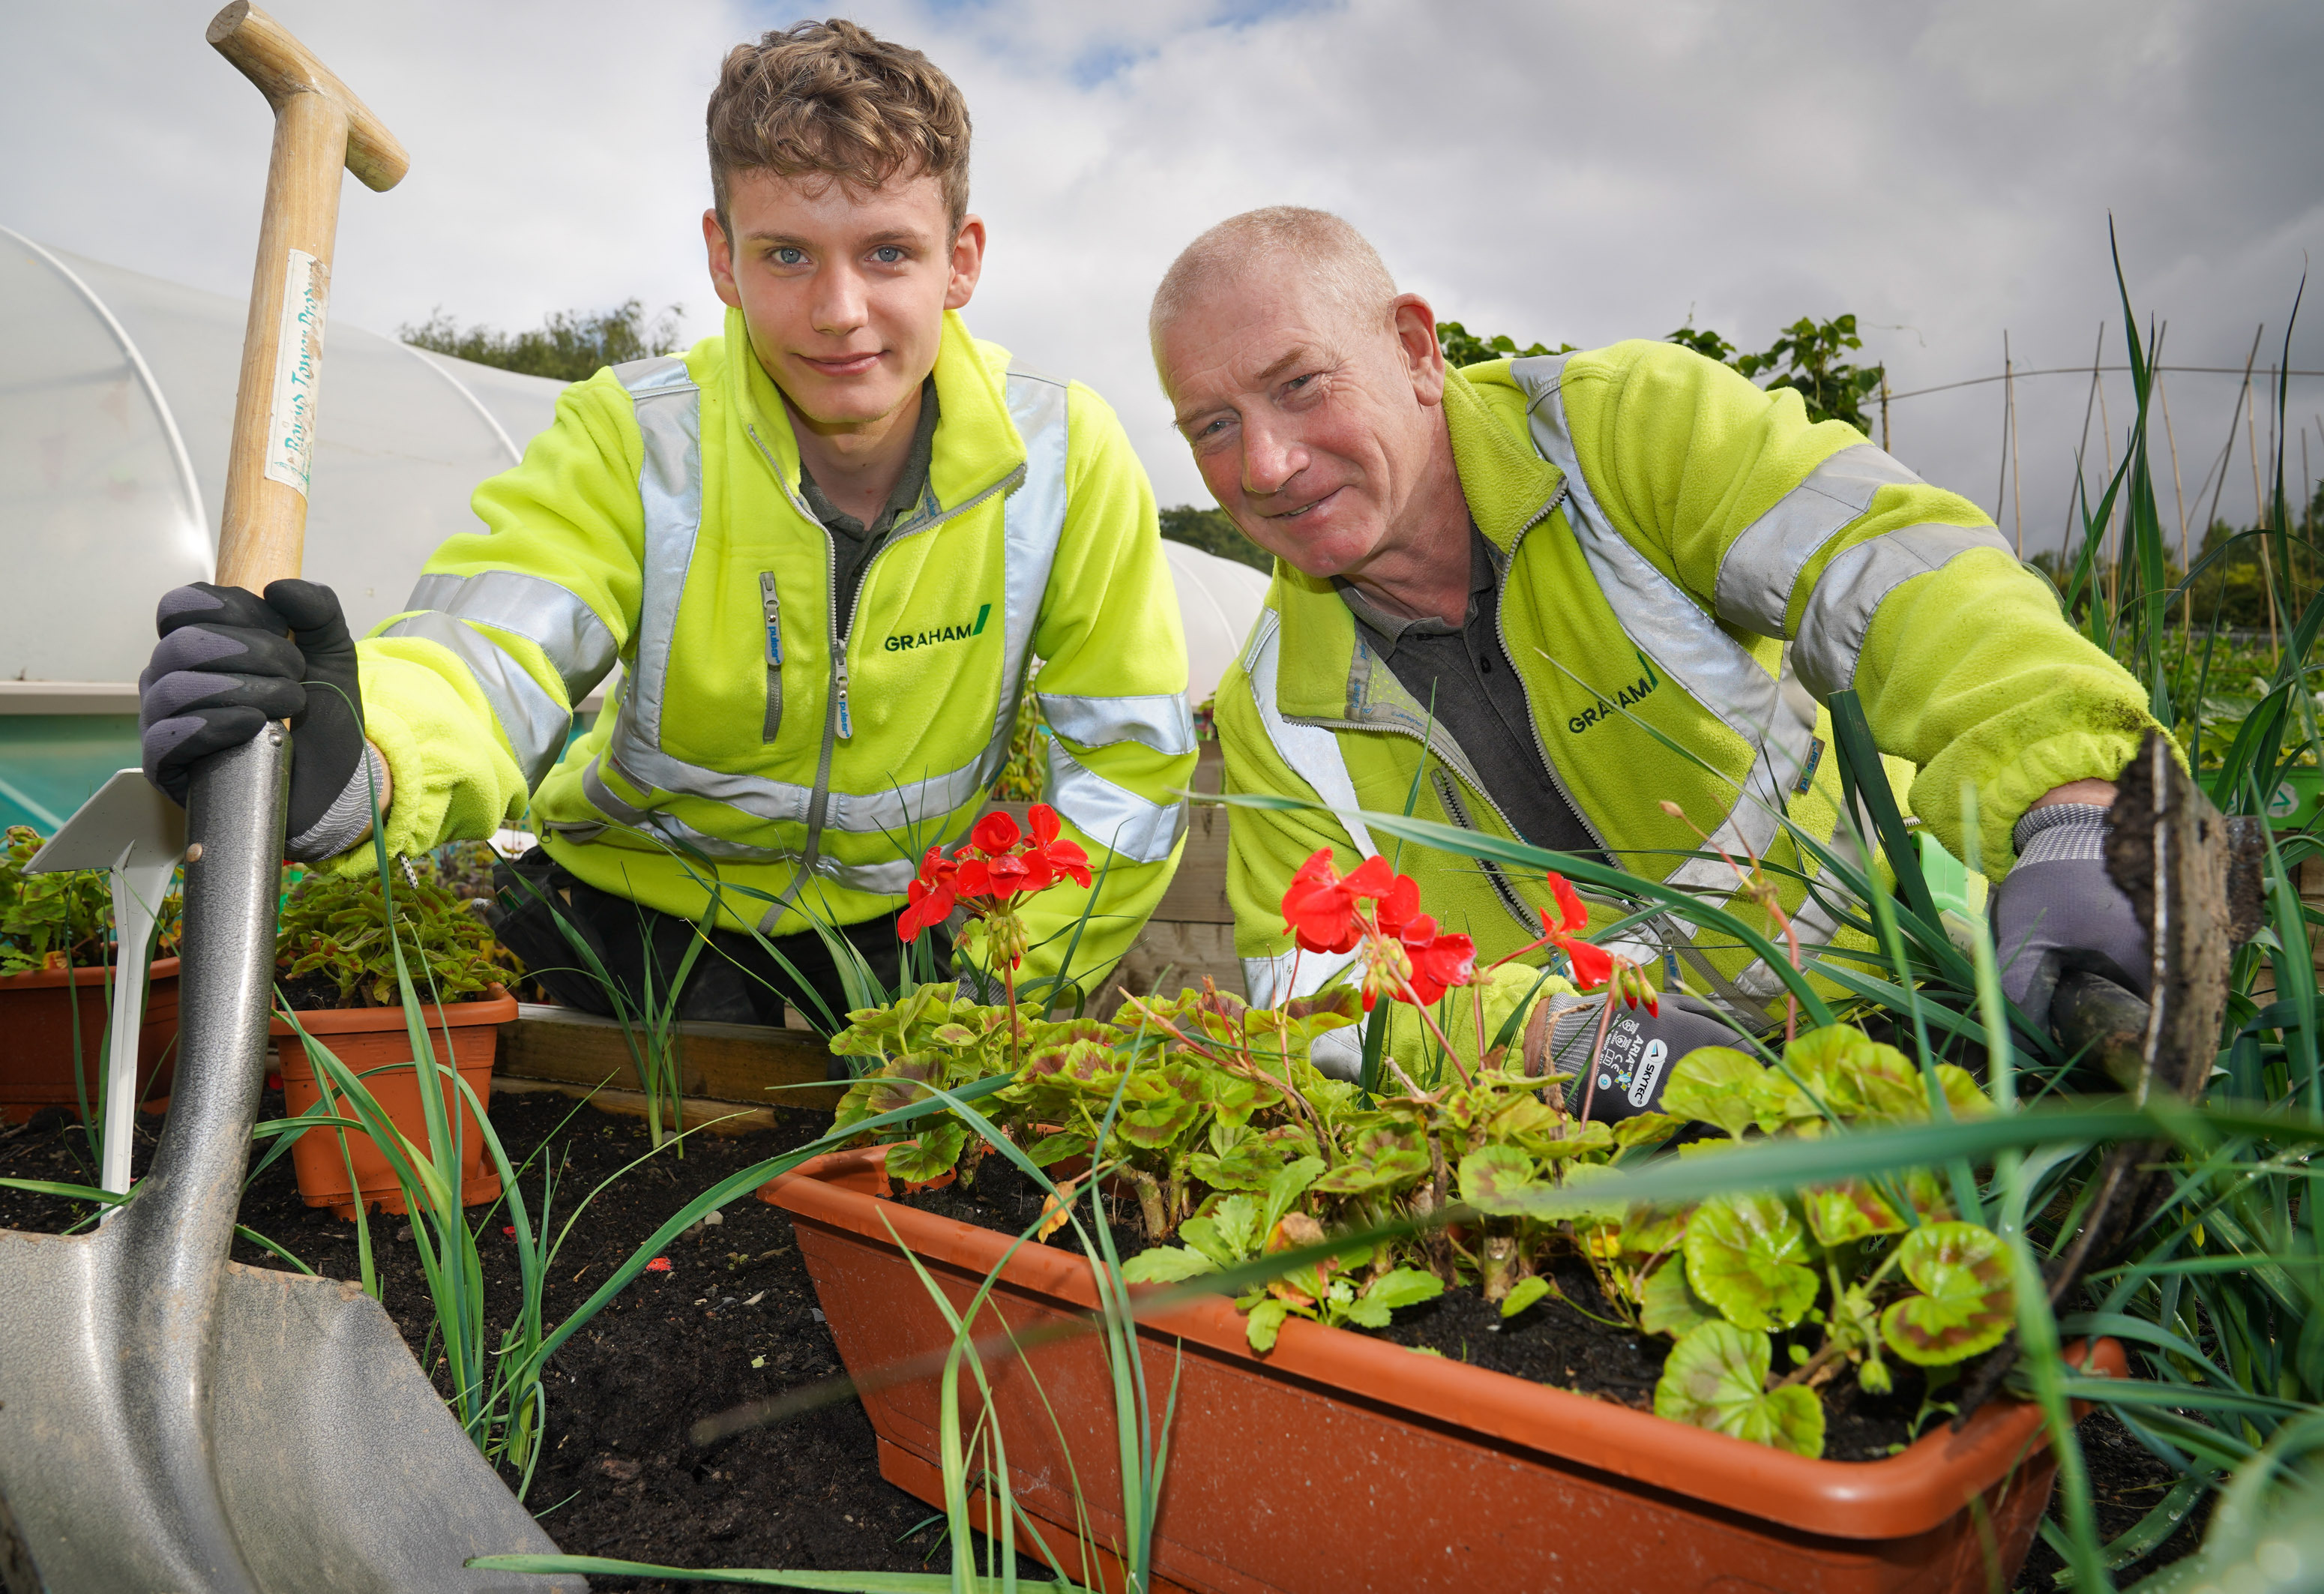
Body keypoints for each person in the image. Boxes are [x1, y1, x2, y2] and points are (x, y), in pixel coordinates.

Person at [137, 20, 1195, 1029]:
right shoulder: (634, 436)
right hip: (622, 918)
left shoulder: (1064, 453)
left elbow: (1127, 766)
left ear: (960, 261)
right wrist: (359, 758)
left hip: (902, 934)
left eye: (887, 254)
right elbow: (492, 653)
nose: (838, 311)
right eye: (786, 255)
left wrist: (1012, 985)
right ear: (722, 258)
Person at [1147, 206, 2152, 1104]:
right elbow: (1316, 1006)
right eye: (1215, 427)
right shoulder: (1271, 708)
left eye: (1302, 384)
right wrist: (1553, 1038)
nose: (1267, 464)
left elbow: (1893, 570)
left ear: (1414, 349)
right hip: (1616, 1138)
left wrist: (2073, 800)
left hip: (1920, 1000)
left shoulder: (1617, 435)